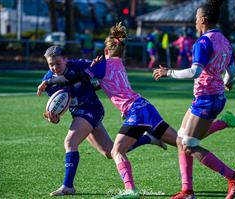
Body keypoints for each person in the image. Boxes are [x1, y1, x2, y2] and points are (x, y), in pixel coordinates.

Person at [53, 22, 235, 199]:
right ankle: (225, 125)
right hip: (147, 108)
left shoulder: (101, 64)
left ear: (106, 50)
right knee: (184, 142)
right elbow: (101, 81)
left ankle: (130, 190)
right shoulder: (118, 63)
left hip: (136, 111)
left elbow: (75, 76)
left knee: (116, 151)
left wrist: (50, 81)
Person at [36, 45, 167, 197]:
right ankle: (149, 138)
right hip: (78, 114)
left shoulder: (78, 64)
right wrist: (54, 118)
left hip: (92, 109)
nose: (54, 67)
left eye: (57, 63)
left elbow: (100, 69)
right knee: (110, 152)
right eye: (50, 64)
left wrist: (97, 63)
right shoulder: (47, 80)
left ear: (66, 59)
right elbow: (59, 108)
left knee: (70, 142)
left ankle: (68, 186)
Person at [153, 0, 235, 198]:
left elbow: (194, 72)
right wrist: (227, 82)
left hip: (207, 99)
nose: (194, 21)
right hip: (213, 97)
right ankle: (187, 191)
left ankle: (233, 177)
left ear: (203, 19)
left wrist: (168, 72)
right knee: (181, 140)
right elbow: (231, 72)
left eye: (196, 18)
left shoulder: (203, 42)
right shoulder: (224, 41)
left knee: (189, 144)